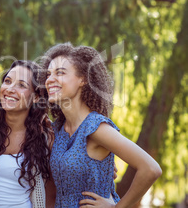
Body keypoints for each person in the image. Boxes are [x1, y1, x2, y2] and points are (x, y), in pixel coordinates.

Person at [40, 42, 162, 207]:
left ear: (83, 79)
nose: (50, 79)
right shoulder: (57, 129)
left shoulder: (95, 128)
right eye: (48, 74)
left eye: (60, 73)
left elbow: (150, 169)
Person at [0, 60, 55, 207]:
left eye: (21, 85)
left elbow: (52, 193)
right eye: (8, 81)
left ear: (35, 97)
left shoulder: (45, 137)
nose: (10, 89)